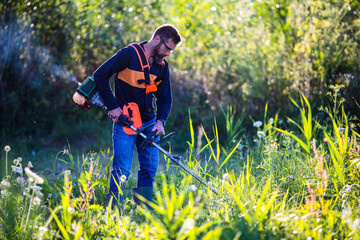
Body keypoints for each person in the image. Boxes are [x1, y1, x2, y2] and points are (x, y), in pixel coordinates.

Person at [93, 24, 181, 207]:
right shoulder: (129, 54)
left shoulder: (162, 67)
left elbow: (165, 99)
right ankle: (112, 210)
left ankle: (143, 210)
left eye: (172, 50)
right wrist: (114, 107)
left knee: (149, 168)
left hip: (149, 124)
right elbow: (100, 75)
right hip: (125, 122)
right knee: (122, 168)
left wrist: (160, 122)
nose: (168, 54)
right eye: (167, 48)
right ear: (157, 39)